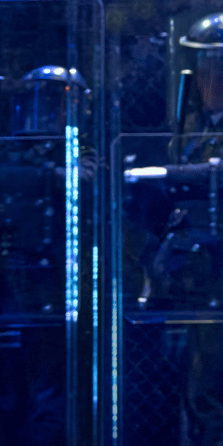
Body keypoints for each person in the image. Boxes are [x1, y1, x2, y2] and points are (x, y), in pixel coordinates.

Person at [123, 12, 223, 446]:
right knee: (185, 375)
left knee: (212, 377)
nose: (212, 78)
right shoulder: (196, 131)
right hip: (185, 274)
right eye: (206, 67)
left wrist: (169, 172)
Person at [0, 65, 90, 446]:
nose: (49, 110)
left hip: (57, 283)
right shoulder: (17, 150)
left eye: (59, 100)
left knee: (51, 384)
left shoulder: (83, 150)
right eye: (43, 98)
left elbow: (82, 178)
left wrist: (47, 173)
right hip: (14, 279)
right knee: (13, 381)